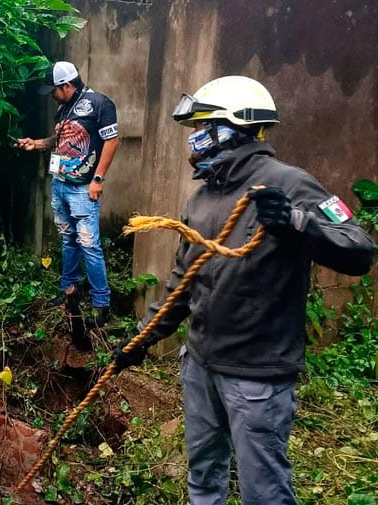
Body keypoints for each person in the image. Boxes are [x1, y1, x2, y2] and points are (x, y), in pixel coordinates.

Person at [112, 76, 376, 504]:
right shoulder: (202, 198)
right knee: (203, 479)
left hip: (256, 378)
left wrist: (294, 222)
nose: (194, 139)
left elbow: (360, 249)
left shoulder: (290, 184)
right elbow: (184, 277)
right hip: (199, 366)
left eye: (201, 127)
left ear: (233, 127)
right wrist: (143, 337)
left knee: (264, 492)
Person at [15, 61, 120, 331]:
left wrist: (98, 178)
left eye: (54, 90)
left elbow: (112, 141)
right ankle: (68, 290)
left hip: (82, 188)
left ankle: (101, 304)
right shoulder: (65, 108)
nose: (52, 95)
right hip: (60, 185)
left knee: (89, 245)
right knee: (68, 240)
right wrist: (35, 143)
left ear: (67, 86)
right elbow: (59, 140)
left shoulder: (99, 104)